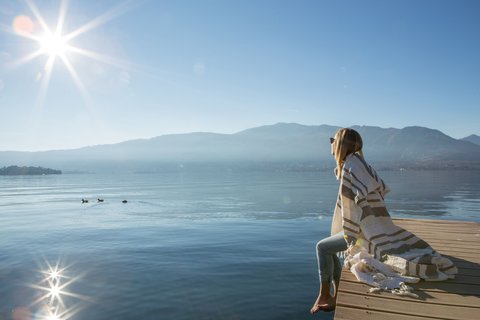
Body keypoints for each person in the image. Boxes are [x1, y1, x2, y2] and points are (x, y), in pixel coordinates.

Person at [310, 128, 456, 314]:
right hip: (370, 228)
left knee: (322, 247)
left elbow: (352, 209)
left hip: (363, 232)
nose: (330, 143)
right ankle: (334, 294)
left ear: (340, 144)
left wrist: (353, 234)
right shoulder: (360, 164)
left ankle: (325, 295)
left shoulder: (350, 168)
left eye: (333, 139)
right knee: (328, 248)